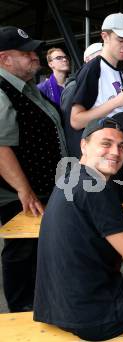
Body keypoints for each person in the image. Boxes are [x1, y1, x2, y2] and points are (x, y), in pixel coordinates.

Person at [33, 117, 123, 341]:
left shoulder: (70, 178)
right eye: (106, 143)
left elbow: (93, 215)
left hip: (55, 308)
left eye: (121, 147)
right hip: (95, 317)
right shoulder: (98, 188)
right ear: (84, 145)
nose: (115, 152)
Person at [0, 26, 68, 312]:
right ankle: (21, 312)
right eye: (25, 53)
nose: (34, 57)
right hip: (23, 196)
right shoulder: (3, 91)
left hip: (43, 189)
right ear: (4, 59)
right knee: (22, 252)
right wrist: (24, 191)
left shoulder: (27, 88)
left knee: (41, 251)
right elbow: (1, 147)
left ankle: (41, 306)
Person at [70, 12, 123, 202]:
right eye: (120, 40)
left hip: (117, 163)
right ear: (104, 36)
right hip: (100, 166)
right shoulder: (93, 69)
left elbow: (118, 109)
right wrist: (117, 102)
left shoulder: (119, 74)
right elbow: (76, 120)